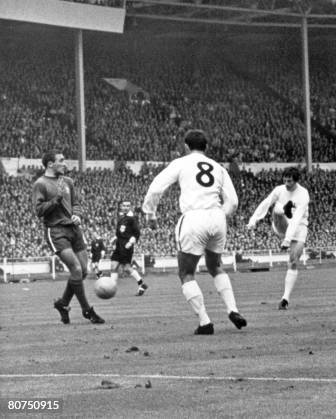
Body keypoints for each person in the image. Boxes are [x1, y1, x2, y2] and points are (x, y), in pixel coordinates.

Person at [142, 129, 247, 335]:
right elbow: (233, 202)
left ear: (186, 147)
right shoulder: (218, 168)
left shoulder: (181, 163)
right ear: (206, 148)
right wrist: (219, 215)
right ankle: (232, 309)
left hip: (193, 218)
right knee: (215, 266)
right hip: (217, 217)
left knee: (186, 273)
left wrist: (150, 214)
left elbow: (156, 188)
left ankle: (205, 322)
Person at [32, 151, 104, 324]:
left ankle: (63, 304)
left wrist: (77, 215)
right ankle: (87, 310)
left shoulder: (68, 182)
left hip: (74, 229)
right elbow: (39, 211)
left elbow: (76, 203)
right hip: (56, 231)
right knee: (77, 270)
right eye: (61, 161)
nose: (65, 163)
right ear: (50, 164)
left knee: (83, 271)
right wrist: (55, 200)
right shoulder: (40, 184)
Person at [247, 167, 310, 310]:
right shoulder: (279, 190)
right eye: (285, 180)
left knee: (293, 261)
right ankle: (283, 210)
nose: (287, 183)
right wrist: (253, 219)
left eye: (290, 181)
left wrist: (288, 240)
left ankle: (285, 299)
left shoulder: (303, 194)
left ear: (296, 181)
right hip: (281, 224)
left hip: (299, 227)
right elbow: (266, 203)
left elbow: (297, 218)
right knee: (276, 208)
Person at [109, 200, 148, 296]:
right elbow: (122, 232)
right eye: (124, 205)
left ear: (130, 207)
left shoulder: (132, 218)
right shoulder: (122, 217)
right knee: (113, 266)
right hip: (119, 245)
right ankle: (111, 288)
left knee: (126, 268)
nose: (126, 207)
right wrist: (115, 238)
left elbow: (137, 233)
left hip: (126, 246)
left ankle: (142, 284)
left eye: (128, 206)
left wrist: (130, 243)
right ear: (121, 206)